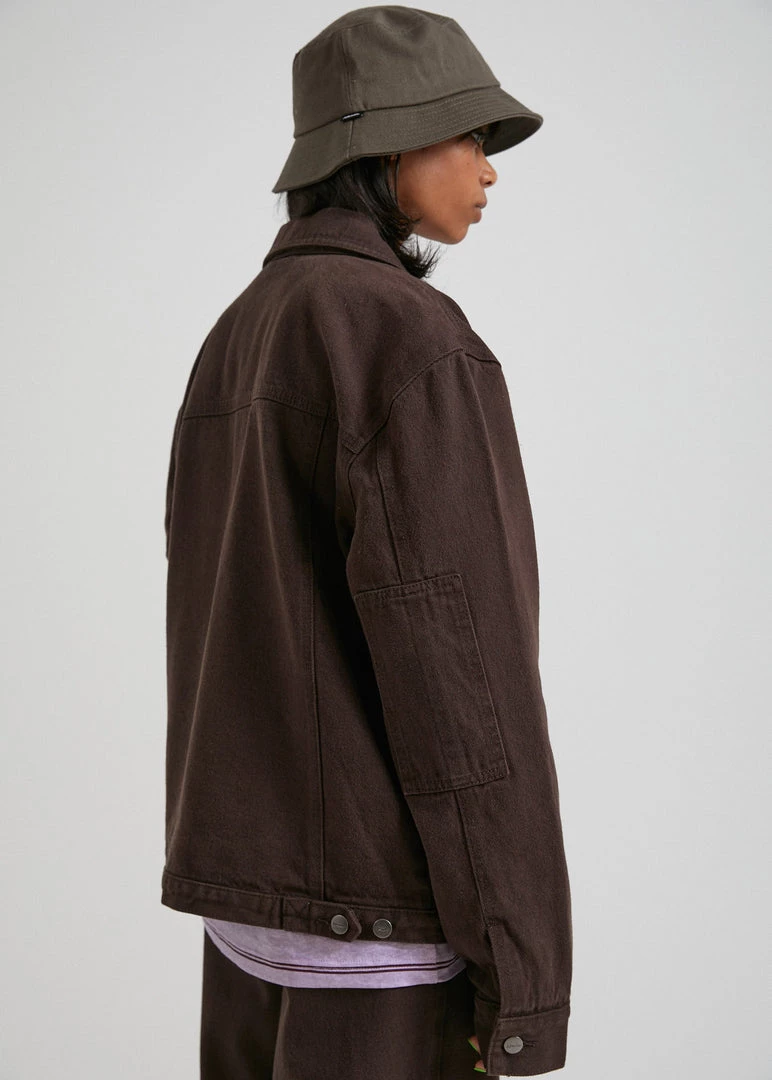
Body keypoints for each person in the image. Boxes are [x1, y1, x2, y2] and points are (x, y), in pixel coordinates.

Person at [161, 6, 573, 1078]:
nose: (489, 169)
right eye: (467, 136)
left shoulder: (238, 333)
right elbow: (463, 681)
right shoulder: (409, 341)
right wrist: (521, 973)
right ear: (387, 148)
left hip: (252, 922)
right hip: (378, 944)